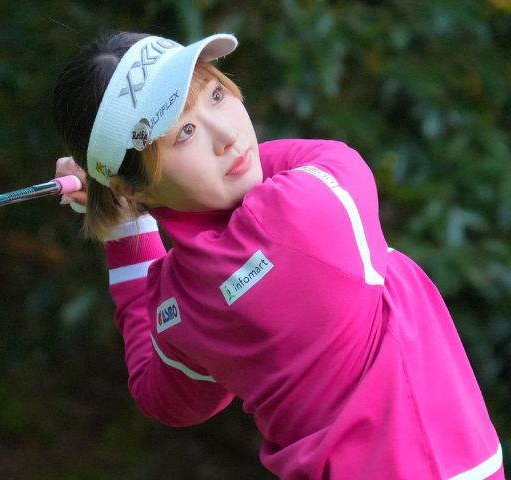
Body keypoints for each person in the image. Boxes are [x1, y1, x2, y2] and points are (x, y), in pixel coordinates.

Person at [51, 31, 504, 479]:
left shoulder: (179, 307)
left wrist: (126, 220)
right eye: (184, 132)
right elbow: (330, 157)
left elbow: (162, 398)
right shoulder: (311, 206)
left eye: (215, 95)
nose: (227, 135)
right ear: (132, 185)